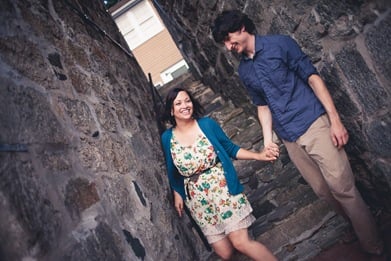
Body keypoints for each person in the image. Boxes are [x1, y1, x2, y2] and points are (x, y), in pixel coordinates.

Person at [211, 10, 386, 258]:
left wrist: (335, 121)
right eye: (225, 44)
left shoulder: (280, 44)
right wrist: (268, 140)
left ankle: (373, 245)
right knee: (322, 191)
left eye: (229, 39)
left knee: (342, 188)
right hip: (290, 137)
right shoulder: (245, 72)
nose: (228, 47)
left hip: (313, 123)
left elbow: (314, 79)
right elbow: (262, 107)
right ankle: (354, 228)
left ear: (241, 28)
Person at [161, 87, 278, 261]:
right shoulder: (167, 137)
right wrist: (177, 192)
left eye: (187, 101)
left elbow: (230, 148)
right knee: (225, 253)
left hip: (223, 190)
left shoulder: (206, 125)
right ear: (171, 110)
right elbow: (173, 170)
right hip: (198, 201)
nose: (185, 106)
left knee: (240, 243)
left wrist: (258, 155)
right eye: (178, 103)